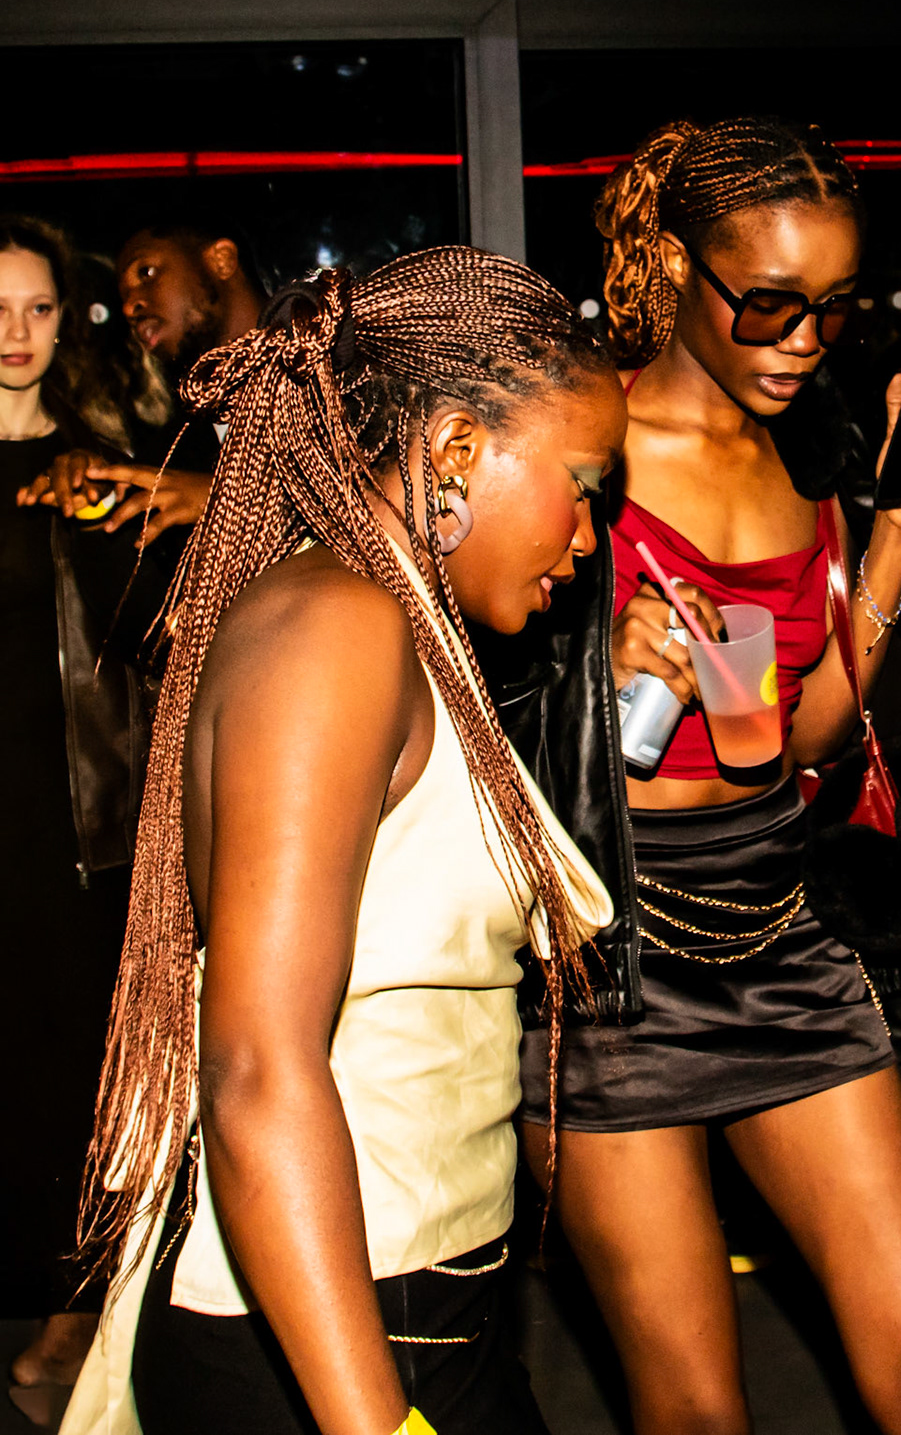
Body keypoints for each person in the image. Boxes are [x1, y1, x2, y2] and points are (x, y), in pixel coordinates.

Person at [62, 247, 622, 1435]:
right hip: (337, 1320)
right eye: (582, 483)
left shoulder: (393, 617)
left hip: (410, 1298)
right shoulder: (338, 626)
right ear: (456, 447)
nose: (589, 534)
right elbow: (259, 1065)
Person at [511, 117, 901, 1435]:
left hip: (783, 931)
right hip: (612, 959)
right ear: (677, 267)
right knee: (694, 1410)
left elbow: (808, 738)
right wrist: (592, 673)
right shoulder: (580, 444)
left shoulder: (808, 459)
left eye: (832, 310)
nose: (802, 343)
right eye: (770, 303)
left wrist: (895, 534)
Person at [0, 215, 146, 1400]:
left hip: (70, 828)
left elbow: (150, 643)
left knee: (71, 1077)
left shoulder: (103, 465)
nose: (17, 332)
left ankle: (69, 1322)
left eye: (39, 308)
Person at [21, 218, 266, 542]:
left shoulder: (325, 366)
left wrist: (225, 499)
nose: (128, 306)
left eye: (146, 273)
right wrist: (97, 491)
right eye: (122, 294)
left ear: (221, 260)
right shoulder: (177, 443)